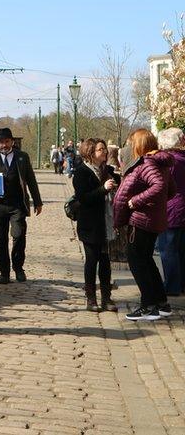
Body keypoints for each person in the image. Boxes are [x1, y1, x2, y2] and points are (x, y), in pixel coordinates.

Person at [113, 128, 177, 321]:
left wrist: (136, 201)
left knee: (138, 262)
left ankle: (148, 305)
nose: (130, 146)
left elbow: (159, 186)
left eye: (132, 143)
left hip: (141, 220)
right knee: (146, 261)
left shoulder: (148, 162)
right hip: (150, 218)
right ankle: (160, 303)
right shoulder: (159, 162)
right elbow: (170, 190)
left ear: (139, 144)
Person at [0, 127, 43, 284]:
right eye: (1, 142)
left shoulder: (22, 157)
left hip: (17, 204)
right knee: (1, 240)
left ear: (12, 141)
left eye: (7, 141)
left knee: (19, 236)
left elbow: (31, 180)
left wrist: (38, 202)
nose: (4, 145)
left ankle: (18, 268)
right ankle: (4, 272)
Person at [72, 138, 119, 311]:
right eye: (100, 150)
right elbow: (83, 198)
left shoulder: (108, 171)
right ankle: (91, 298)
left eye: (105, 150)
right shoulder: (82, 172)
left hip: (106, 222)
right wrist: (103, 189)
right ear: (90, 153)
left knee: (106, 261)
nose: (105, 153)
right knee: (92, 260)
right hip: (90, 224)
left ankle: (107, 297)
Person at [156, 128, 185, 297]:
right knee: (181, 249)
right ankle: (181, 284)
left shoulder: (170, 162)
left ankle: (172, 286)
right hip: (180, 208)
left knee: (168, 249)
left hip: (171, 209)